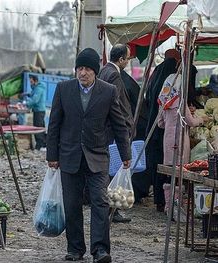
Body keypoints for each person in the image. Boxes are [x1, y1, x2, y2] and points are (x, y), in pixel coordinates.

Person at [46, 48, 131, 262]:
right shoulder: (64, 89)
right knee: (72, 204)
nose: (83, 73)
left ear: (95, 71)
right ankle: (75, 249)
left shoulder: (108, 91)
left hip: (98, 156)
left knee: (101, 203)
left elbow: (119, 125)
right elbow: (54, 125)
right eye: (79, 69)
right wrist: (52, 156)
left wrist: (125, 154)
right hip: (69, 156)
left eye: (87, 69)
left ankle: (100, 250)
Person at [98, 44, 133, 223]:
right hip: (113, 130)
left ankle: (109, 208)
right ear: (121, 60)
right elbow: (117, 106)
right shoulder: (114, 75)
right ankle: (112, 208)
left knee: (107, 169)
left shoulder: (104, 71)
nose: (128, 61)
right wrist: (126, 126)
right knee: (112, 170)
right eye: (127, 58)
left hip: (105, 129)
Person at [145, 49, 180, 212]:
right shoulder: (172, 79)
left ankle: (160, 201)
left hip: (153, 125)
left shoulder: (156, 73)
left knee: (156, 164)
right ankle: (169, 203)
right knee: (169, 166)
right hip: (165, 131)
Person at [158, 68, 209, 167]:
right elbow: (192, 122)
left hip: (168, 138)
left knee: (170, 167)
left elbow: (160, 123)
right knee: (180, 168)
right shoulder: (180, 101)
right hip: (180, 138)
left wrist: (171, 124)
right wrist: (203, 119)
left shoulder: (162, 101)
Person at [121, 69, 151, 203]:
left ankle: (135, 191)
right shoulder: (125, 80)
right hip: (137, 125)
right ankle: (136, 192)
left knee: (134, 161)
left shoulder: (121, 80)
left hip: (135, 126)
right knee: (135, 161)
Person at [24, 75, 46, 150]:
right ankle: (42, 144)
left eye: (31, 82)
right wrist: (28, 94)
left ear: (35, 81)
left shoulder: (39, 88)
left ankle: (39, 146)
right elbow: (33, 95)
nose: (30, 83)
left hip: (39, 111)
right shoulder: (36, 88)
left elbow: (35, 99)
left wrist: (25, 104)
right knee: (40, 127)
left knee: (38, 128)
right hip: (38, 110)